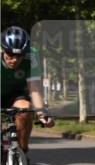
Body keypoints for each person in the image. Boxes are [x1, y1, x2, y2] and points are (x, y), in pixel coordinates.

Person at [1, 26, 55, 155]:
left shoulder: (31, 55)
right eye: (10, 54)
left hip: (17, 92)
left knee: (25, 109)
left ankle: (22, 152)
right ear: (3, 49)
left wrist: (42, 114)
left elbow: (35, 88)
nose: (14, 59)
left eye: (20, 55)